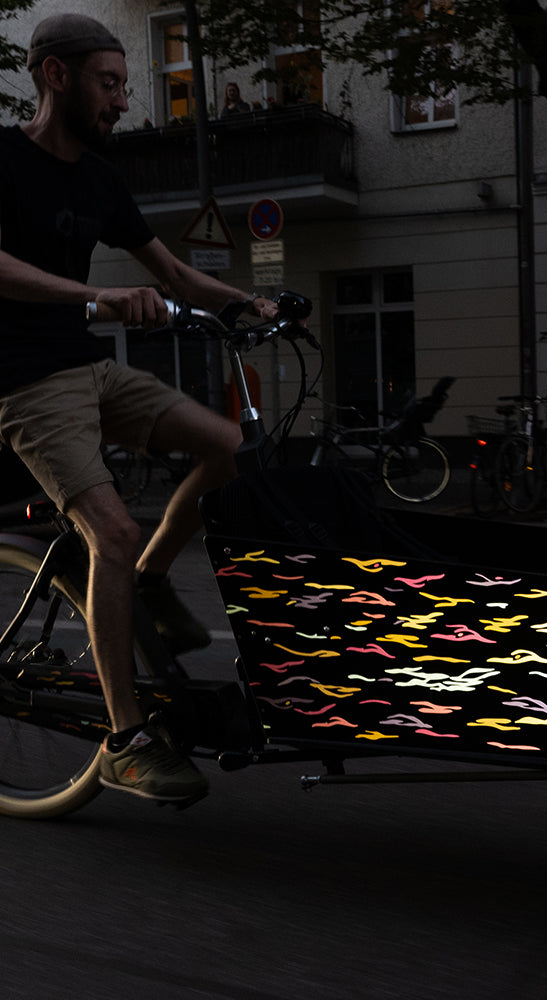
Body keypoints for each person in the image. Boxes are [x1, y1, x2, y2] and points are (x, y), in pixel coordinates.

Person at [0, 13, 280, 806]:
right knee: (111, 532)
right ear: (57, 76)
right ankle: (124, 741)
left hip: (89, 367)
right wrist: (99, 296)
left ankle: (152, 579)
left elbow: (177, 276)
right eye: (110, 82)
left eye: (125, 84)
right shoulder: (4, 158)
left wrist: (253, 304)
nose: (125, 101)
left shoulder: (99, 178)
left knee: (229, 449)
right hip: (23, 379)